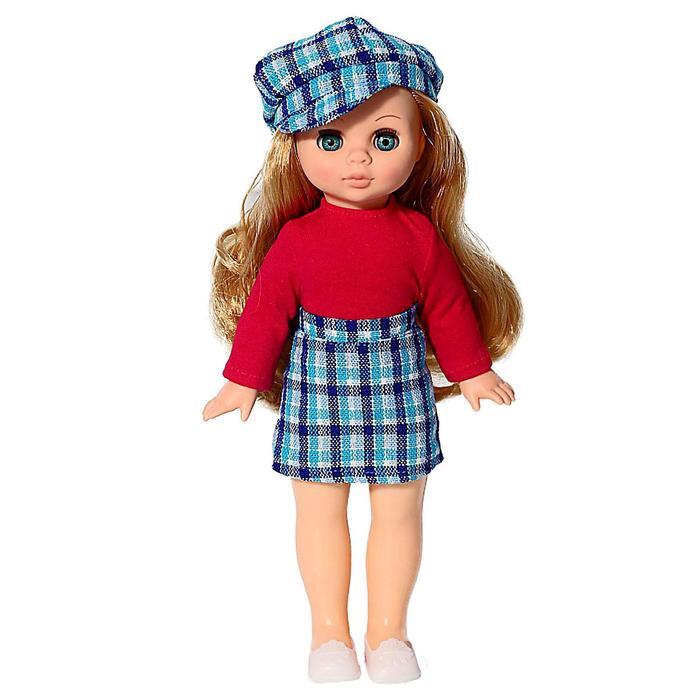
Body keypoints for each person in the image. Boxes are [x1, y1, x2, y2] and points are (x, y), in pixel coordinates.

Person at [202, 16, 522, 683]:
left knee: (399, 511)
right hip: (317, 384)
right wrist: (243, 378)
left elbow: (445, 307)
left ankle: (389, 634)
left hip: (398, 383)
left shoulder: (418, 237)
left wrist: (471, 371)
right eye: (331, 138)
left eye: (383, 138)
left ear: (421, 144)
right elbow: (267, 312)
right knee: (319, 512)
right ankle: (329, 635)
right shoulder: (295, 241)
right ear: (294, 146)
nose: (358, 160)